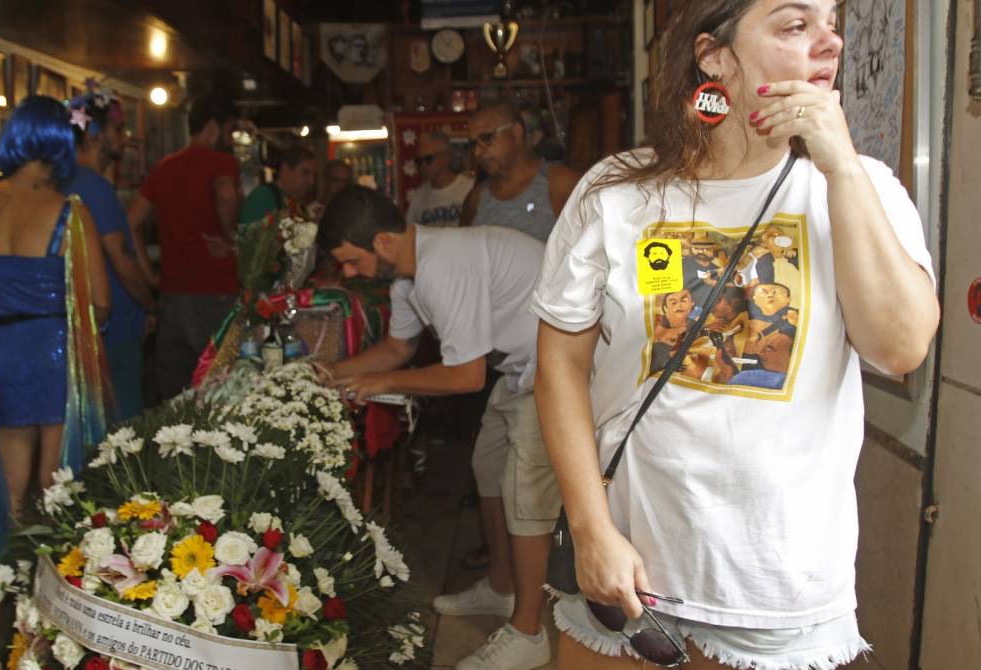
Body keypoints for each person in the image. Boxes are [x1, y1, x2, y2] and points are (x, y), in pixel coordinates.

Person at [532, 1, 938, 668]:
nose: (828, 42)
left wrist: (841, 166)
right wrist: (590, 528)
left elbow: (899, 348)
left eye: (833, 24)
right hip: (627, 569)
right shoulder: (616, 194)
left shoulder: (864, 192)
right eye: (794, 24)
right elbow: (559, 369)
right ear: (713, 56)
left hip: (777, 584)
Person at [319, 185, 559, 670]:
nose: (348, 273)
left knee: (524, 493)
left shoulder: (442, 265)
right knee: (487, 468)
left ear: (382, 242)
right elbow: (397, 349)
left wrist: (381, 382)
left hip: (557, 365)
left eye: (350, 261)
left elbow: (466, 376)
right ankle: (501, 586)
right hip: (520, 369)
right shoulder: (408, 277)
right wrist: (332, 375)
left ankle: (529, 633)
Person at [0, 95, 110, 516]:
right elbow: (101, 304)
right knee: (56, 489)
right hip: (54, 353)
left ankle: (5, 575)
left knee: (8, 491)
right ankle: (44, 573)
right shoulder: (70, 213)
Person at [126, 96, 240, 398]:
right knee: (218, 386)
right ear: (214, 127)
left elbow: (131, 221)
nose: (229, 139)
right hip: (216, 290)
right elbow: (227, 194)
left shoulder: (165, 167)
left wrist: (150, 275)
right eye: (229, 131)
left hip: (173, 293)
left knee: (171, 390)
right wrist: (230, 237)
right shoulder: (221, 162)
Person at [64, 84, 155, 421]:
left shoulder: (63, 180)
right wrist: (151, 303)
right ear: (96, 134)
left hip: (84, 327)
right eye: (118, 127)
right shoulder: (95, 188)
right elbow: (120, 261)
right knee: (123, 424)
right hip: (111, 329)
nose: (126, 135)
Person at [461, 98, 582, 242]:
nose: (477, 152)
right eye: (473, 143)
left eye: (487, 138)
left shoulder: (560, 184)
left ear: (516, 133)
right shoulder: (477, 198)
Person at [405, 131, 475, 228]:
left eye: (428, 159)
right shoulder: (418, 197)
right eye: (418, 161)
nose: (423, 165)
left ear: (447, 157)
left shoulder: (471, 188)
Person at [240, 144, 318, 224]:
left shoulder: (297, 203)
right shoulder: (263, 197)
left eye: (314, 175)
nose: (311, 181)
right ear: (286, 169)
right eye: (305, 172)